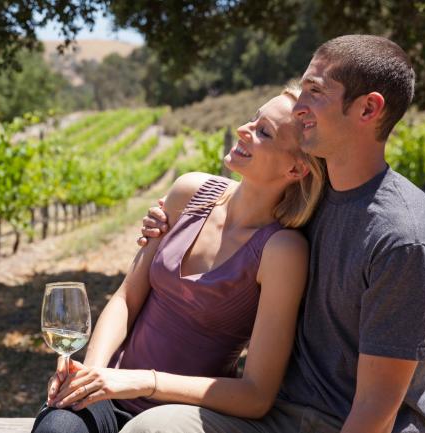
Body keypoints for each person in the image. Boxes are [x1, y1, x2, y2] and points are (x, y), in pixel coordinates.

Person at [130, 34, 425, 433]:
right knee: (156, 427)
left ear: (368, 108)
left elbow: (376, 409)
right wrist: (168, 219)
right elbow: (236, 215)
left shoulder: (403, 237)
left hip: (346, 425)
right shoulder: (312, 200)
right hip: (278, 417)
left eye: (314, 92)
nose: (298, 107)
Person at [31, 85, 327, 433]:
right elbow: (127, 298)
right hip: (110, 397)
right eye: (252, 119)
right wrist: (92, 378)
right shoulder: (190, 192)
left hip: (184, 417)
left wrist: (143, 382)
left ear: (297, 169)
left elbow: (256, 396)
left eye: (264, 132)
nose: (242, 130)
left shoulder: (281, 251)